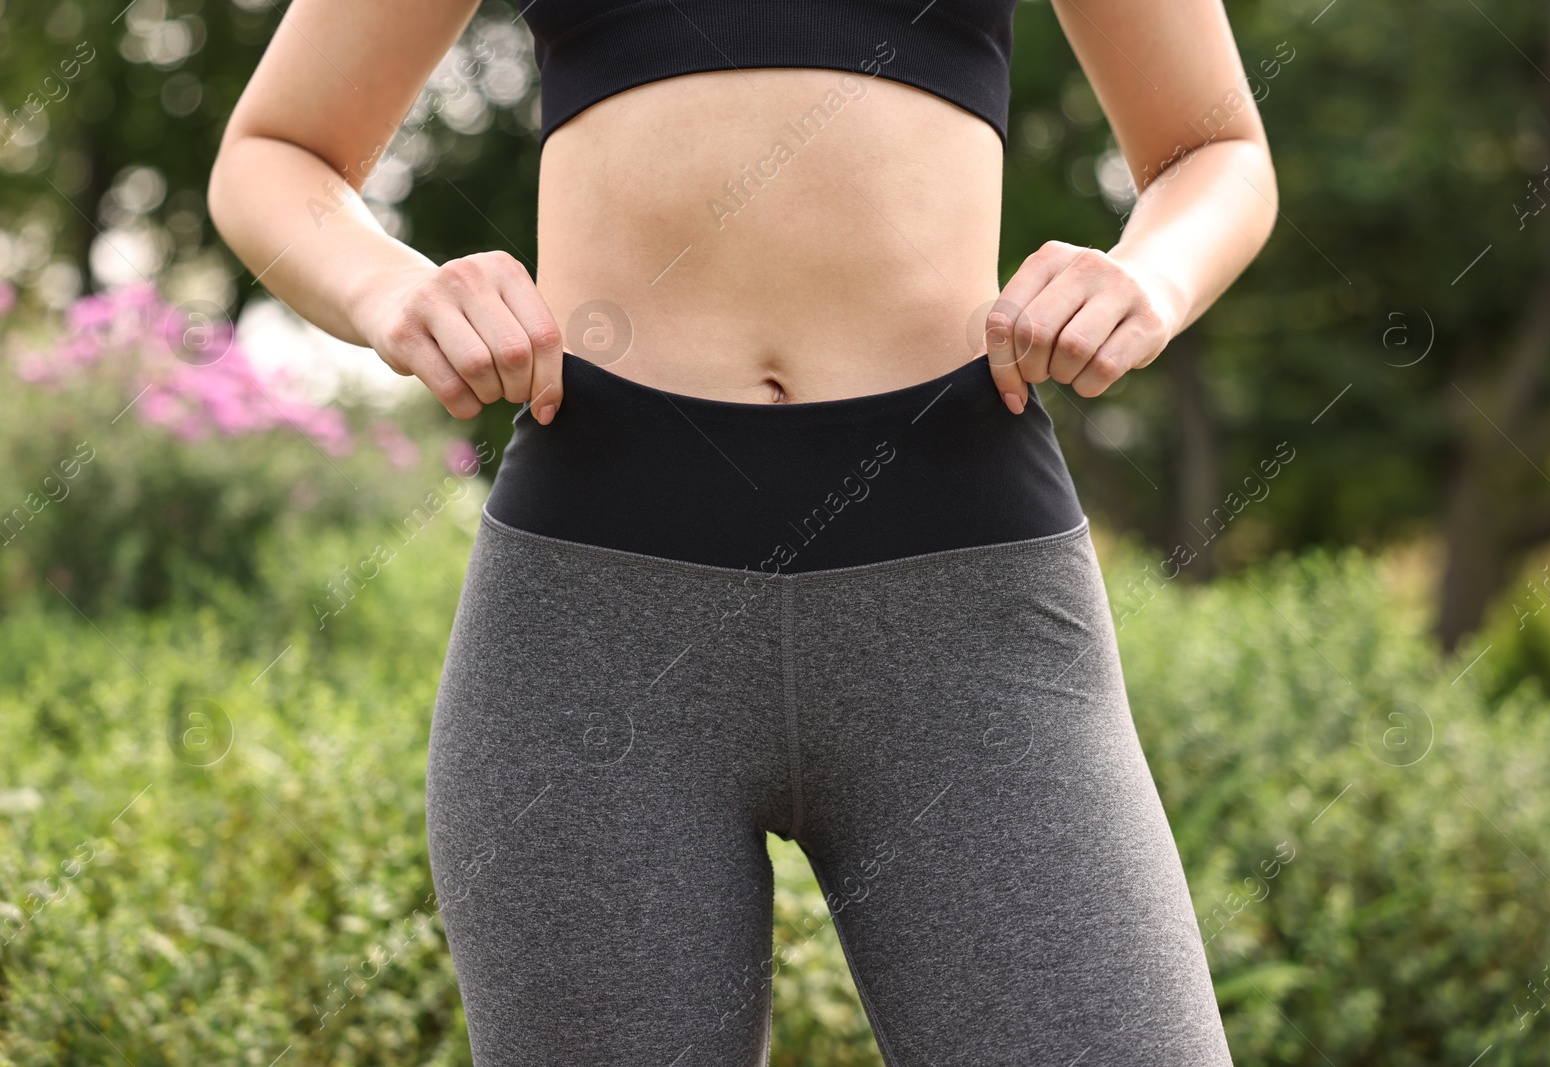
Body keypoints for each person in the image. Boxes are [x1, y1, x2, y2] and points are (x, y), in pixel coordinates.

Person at [209, 0, 1275, 1062]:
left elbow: (1214, 147)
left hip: (967, 604)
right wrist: (391, 290)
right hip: (595, 621)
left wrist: (1151, 273)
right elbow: (277, 152)